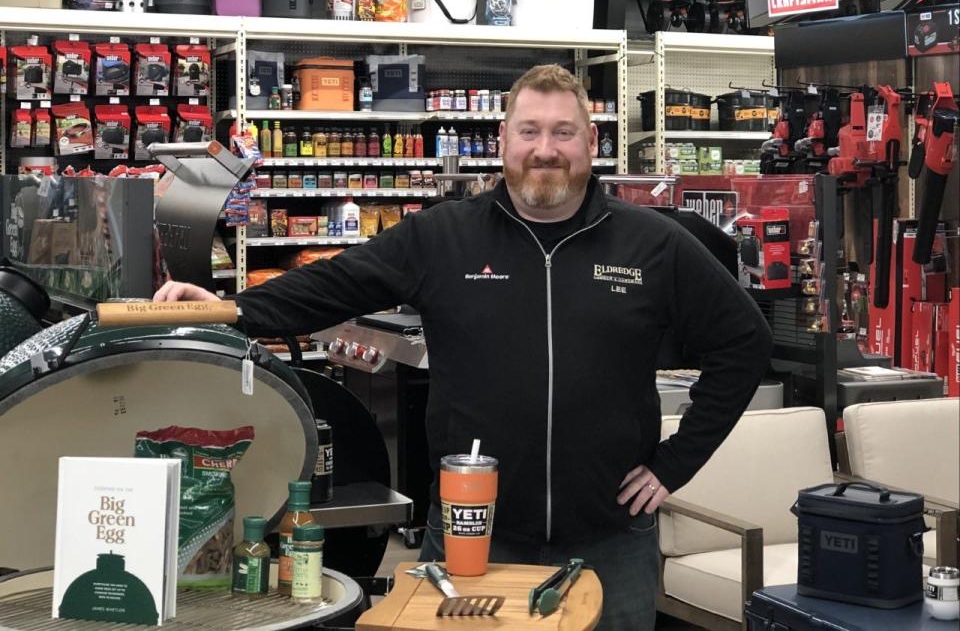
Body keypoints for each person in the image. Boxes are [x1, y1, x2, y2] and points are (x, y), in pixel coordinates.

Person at [156, 64, 773, 630]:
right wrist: (225, 308)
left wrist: (675, 464)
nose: (545, 150)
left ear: (591, 142)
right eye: (529, 130)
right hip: (470, 537)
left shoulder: (652, 244)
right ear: (504, 139)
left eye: (563, 132)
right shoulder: (443, 236)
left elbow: (744, 341)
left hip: (609, 541)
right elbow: (332, 286)